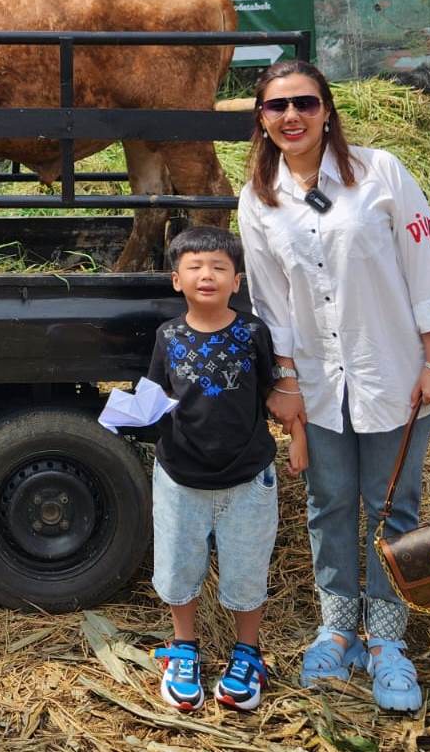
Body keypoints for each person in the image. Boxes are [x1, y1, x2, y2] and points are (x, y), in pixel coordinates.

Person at [237, 59, 430, 713]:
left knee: (394, 508)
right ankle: (337, 629)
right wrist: (283, 381)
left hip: (394, 370)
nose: (292, 117)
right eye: (277, 107)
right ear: (262, 119)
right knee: (329, 504)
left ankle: (389, 641)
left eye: (305, 103)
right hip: (316, 378)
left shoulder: (380, 172)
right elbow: (270, 301)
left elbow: (427, 265)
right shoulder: (260, 196)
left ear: (327, 109)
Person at [146, 226, 307, 713]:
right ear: (177, 280)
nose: (207, 275)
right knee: (177, 566)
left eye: (218, 267)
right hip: (180, 474)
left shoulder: (253, 332)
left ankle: (247, 652)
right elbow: (156, 394)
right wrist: (130, 413)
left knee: (247, 568)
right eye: (194, 267)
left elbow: (276, 394)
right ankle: (184, 648)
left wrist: (297, 439)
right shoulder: (168, 336)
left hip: (248, 474)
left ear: (237, 280)